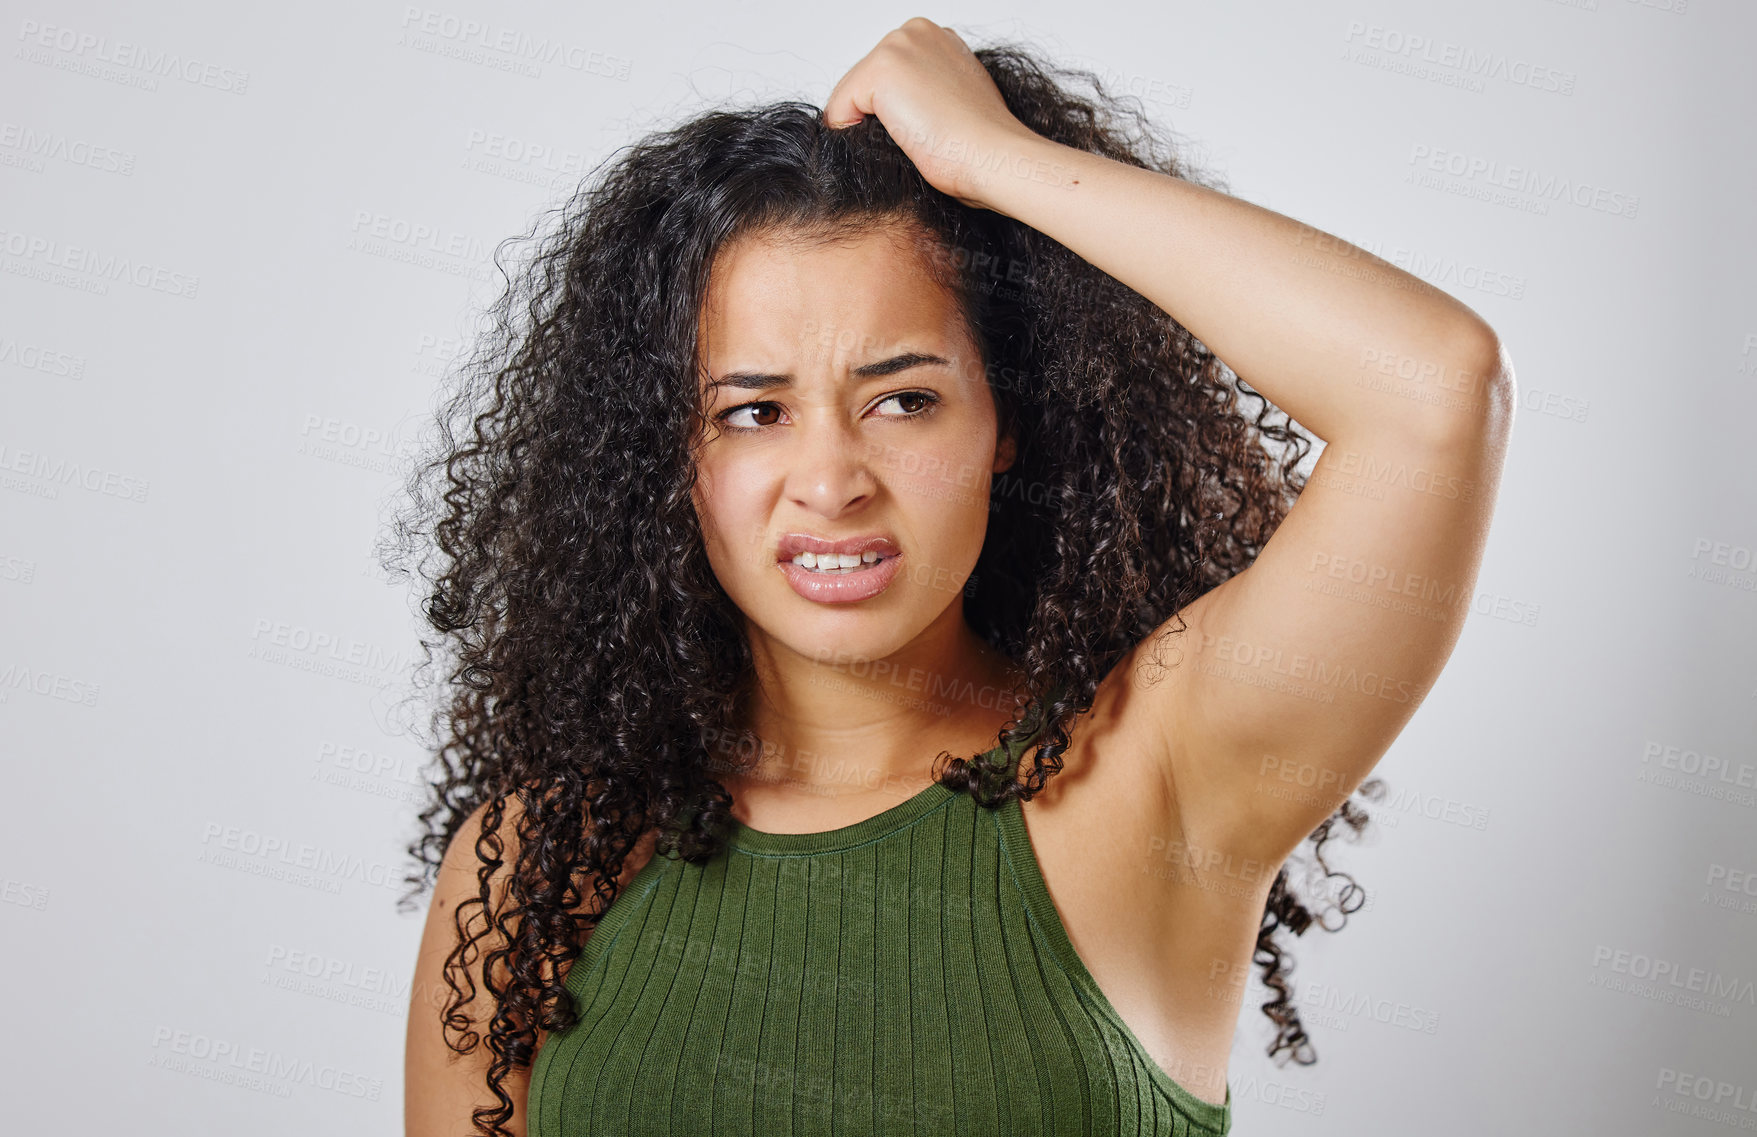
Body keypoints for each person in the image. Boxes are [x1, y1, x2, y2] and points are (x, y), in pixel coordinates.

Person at [395, 18, 1513, 1137]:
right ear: (668, 462)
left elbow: (1430, 392)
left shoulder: (1156, 773)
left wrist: (992, 160)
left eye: (903, 399)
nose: (830, 482)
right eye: (752, 412)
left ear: (1003, 424)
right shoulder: (533, 868)